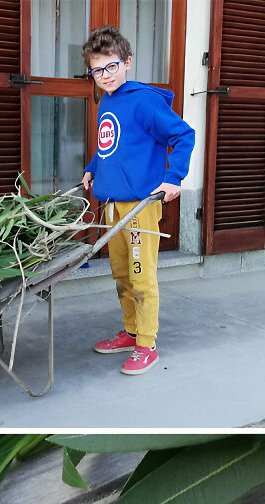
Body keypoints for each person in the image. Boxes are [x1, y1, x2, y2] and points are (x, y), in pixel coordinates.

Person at [81, 26, 195, 375]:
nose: (105, 75)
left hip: (140, 206)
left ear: (127, 62)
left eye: (111, 66)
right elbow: (111, 146)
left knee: (141, 274)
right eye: (97, 70)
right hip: (112, 203)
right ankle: (131, 332)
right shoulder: (106, 101)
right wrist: (92, 168)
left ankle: (147, 343)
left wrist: (173, 177)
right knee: (121, 273)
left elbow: (184, 135)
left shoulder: (144, 101)